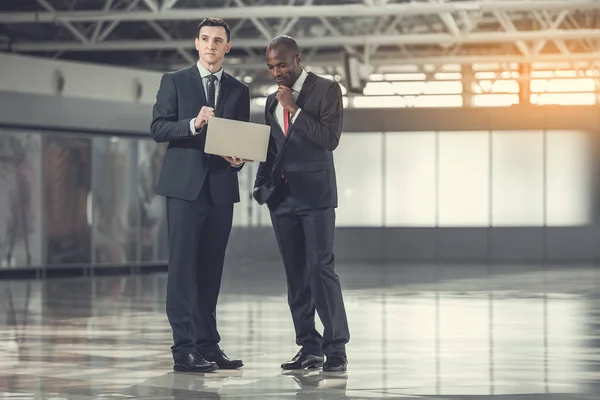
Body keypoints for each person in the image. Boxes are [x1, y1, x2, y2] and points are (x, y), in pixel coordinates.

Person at [150, 17, 248, 373]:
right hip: (184, 191)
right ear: (196, 43)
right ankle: (184, 349)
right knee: (182, 270)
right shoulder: (174, 82)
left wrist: (237, 161)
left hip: (220, 191)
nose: (211, 45)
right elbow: (158, 127)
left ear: (227, 47)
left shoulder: (238, 91)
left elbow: (237, 141)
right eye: (205, 39)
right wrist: (193, 124)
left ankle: (209, 345)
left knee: (211, 271)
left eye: (218, 40)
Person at [253, 35, 350, 372]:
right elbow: (270, 149)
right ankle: (308, 346)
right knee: (295, 275)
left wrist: (295, 109)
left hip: (316, 196)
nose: (276, 71)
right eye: (270, 66)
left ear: (297, 59)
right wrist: (259, 187)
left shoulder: (327, 90)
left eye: (281, 64)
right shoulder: (269, 103)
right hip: (281, 199)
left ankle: (335, 347)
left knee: (321, 269)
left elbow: (329, 138)